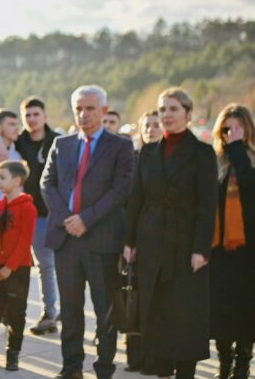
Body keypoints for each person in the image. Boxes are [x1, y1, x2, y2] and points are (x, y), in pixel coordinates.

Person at [41, 85, 134, 379]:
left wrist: (86, 219)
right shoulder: (62, 144)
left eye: (90, 108)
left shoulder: (121, 146)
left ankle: (104, 368)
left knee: (104, 309)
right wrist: (69, 218)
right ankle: (71, 368)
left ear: (104, 111)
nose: (84, 114)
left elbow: (121, 190)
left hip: (101, 239)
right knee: (70, 309)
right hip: (66, 239)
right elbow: (47, 183)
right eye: (79, 108)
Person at [124, 87, 217, 379]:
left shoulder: (202, 153)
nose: (166, 115)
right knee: (156, 311)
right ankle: (161, 371)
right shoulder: (148, 152)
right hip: (151, 240)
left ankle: (186, 373)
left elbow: (208, 204)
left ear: (188, 114)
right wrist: (130, 241)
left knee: (184, 314)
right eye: (162, 109)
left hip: (186, 243)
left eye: (174, 109)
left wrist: (201, 248)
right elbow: (136, 198)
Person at [210, 103, 255, 379]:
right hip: (219, 249)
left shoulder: (249, 158)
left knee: (247, 309)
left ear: (248, 130)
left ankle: (242, 365)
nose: (231, 134)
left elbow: (249, 186)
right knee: (221, 309)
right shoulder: (215, 159)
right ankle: (224, 364)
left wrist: (238, 149)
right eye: (227, 129)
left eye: (238, 129)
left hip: (248, 249)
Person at [14, 96, 60, 335]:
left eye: (36, 114)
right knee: (36, 264)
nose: (32, 119)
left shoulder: (57, 141)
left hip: (50, 212)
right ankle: (45, 312)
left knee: (50, 265)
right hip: (24, 213)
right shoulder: (18, 142)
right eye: (27, 115)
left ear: (44, 116)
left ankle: (51, 310)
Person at [0, 160, 37, 373]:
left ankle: (13, 353)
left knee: (17, 312)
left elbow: (25, 242)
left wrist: (9, 267)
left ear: (17, 181)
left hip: (18, 269)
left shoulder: (28, 208)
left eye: (2, 177)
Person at [123, 109, 161, 375]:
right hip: (134, 236)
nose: (151, 129)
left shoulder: (168, 159)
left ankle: (157, 357)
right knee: (132, 299)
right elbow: (131, 202)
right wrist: (129, 240)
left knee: (157, 301)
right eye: (146, 125)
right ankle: (135, 357)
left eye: (155, 124)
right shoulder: (133, 158)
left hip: (161, 238)